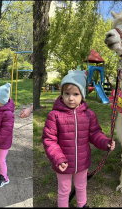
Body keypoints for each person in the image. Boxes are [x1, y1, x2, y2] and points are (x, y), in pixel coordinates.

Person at [42, 70, 115, 208]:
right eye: (67, 94)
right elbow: (49, 140)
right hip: (63, 163)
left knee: (81, 186)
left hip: (82, 162)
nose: (70, 98)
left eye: (75, 94)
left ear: (82, 95)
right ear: (61, 94)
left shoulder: (89, 115)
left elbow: (95, 134)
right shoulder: (54, 115)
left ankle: (82, 205)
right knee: (64, 190)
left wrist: (106, 142)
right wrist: (58, 158)